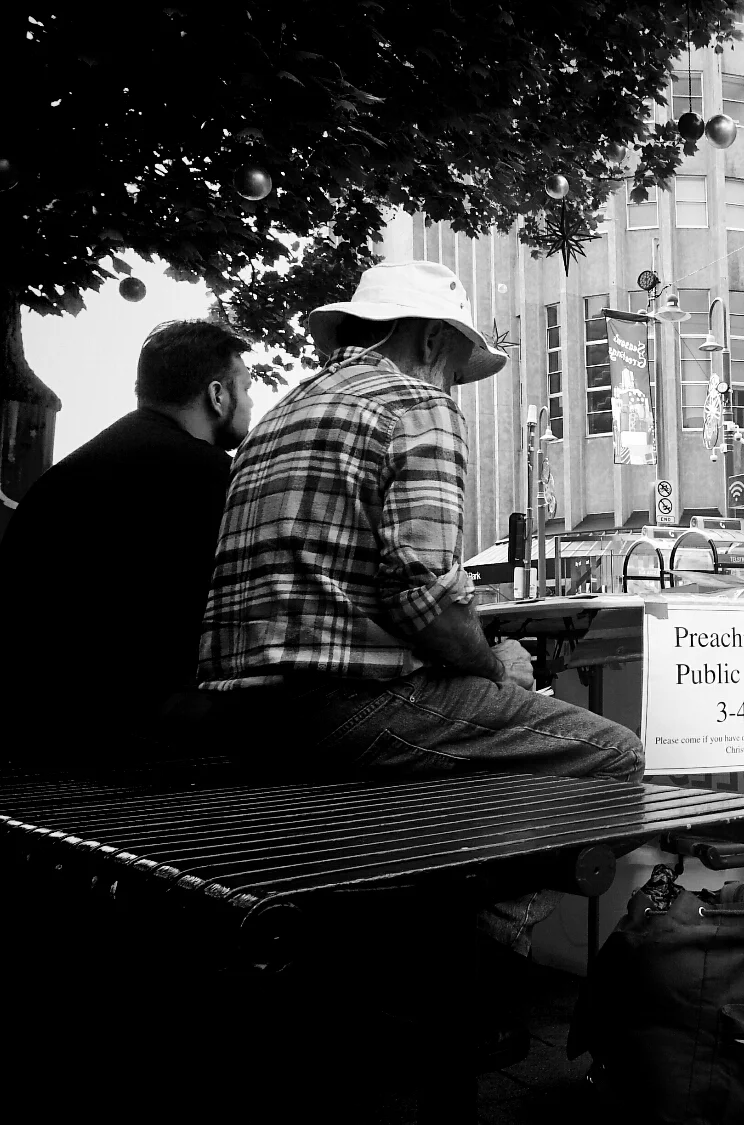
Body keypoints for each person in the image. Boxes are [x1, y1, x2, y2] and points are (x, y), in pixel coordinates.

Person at [195, 260, 643, 1061]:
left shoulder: (285, 411)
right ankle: (460, 968)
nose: (457, 386)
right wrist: (495, 662)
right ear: (432, 338)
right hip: (341, 706)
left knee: (475, 757)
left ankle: (431, 962)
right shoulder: (416, 403)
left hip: (240, 709)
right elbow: (419, 596)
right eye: (458, 367)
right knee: (614, 754)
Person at [0, 320, 253, 761]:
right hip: (134, 734)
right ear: (218, 396)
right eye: (246, 388)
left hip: (26, 723)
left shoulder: (69, 473)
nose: (250, 403)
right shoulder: (215, 478)